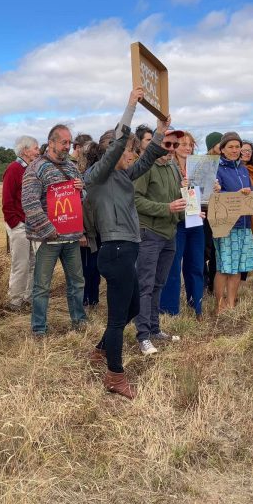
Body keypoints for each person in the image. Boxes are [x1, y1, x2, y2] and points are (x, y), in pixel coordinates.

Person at [85, 87, 169, 399]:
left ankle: (100, 350)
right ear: (112, 153)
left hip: (126, 249)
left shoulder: (120, 176)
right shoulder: (98, 175)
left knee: (133, 305)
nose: (132, 153)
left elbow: (146, 161)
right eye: (128, 149)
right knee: (118, 319)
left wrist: (160, 132)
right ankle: (115, 376)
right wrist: (130, 107)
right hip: (116, 250)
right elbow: (120, 142)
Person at [22, 124, 86, 337]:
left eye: (69, 143)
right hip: (48, 239)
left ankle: (79, 320)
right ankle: (39, 328)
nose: (67, 147)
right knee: (42, 286)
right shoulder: (36, 168)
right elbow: (30, 203)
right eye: (63, 142)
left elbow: (81, 199)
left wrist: (81, 190)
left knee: (77, 282)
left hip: (71, 237)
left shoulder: (71, 168)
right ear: (51, 143)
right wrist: (47, 229)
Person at [134, 126, 184, 354]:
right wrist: (167, 208)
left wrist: (188, 211)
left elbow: (177, 200)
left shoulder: (173, 167)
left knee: (158, 284)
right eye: (168, 144)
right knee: (145, 285)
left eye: (175, 145)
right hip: (149, 234)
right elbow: (134, 200)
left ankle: (154, 329)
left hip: (169, 233)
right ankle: (142, 335)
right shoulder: (145, 167)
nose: (172, 149)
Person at [213, 132, 253, 313]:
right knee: (224, 266)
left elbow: (250, 192)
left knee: (237, 267)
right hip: (226, 225)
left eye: (237, 147)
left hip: (244, 224)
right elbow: (214, 197)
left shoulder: (243, 169)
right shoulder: (216, 169)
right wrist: (233, 195)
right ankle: (219, 305)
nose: (235, 151)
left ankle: (231, 303)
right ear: (222, 149)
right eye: (231, 147)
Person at [161, 131, 206, 319]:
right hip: (177, 222)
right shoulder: (167, 166)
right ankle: (169, 309)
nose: (187, 147)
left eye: (190, 144)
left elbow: (204, 193)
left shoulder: (198, 167)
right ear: (173, 146)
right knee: (172, 266)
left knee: (196, 263)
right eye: (183, 144)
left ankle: (196, 305)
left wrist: (212, 189)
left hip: (196, 220)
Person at [1, 135, 39, 310]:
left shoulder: (31, 169)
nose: (38, 151)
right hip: (20, 225)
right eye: (35, 148)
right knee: (20, 264)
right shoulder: (14, 169)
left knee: (34, 262)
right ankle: (15, 301)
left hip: (32, 224)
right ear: (25, 150)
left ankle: (28, 297)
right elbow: (7, 200)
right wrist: (14, 223)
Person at [77, 140, 104, 307]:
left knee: (89, 267)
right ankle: (90, 299)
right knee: (92, 267)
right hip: (93, 229)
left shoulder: (86, 177)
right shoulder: (93, 177)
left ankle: (89, 300)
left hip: (91, 230)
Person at [203, 131, 222, 293]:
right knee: (203, 250)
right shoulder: (202, 163)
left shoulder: (224, 163)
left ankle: (212, 285)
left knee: (216, 250)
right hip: (204, 212)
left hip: (219, 212)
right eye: (219, 144)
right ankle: (203, 280)